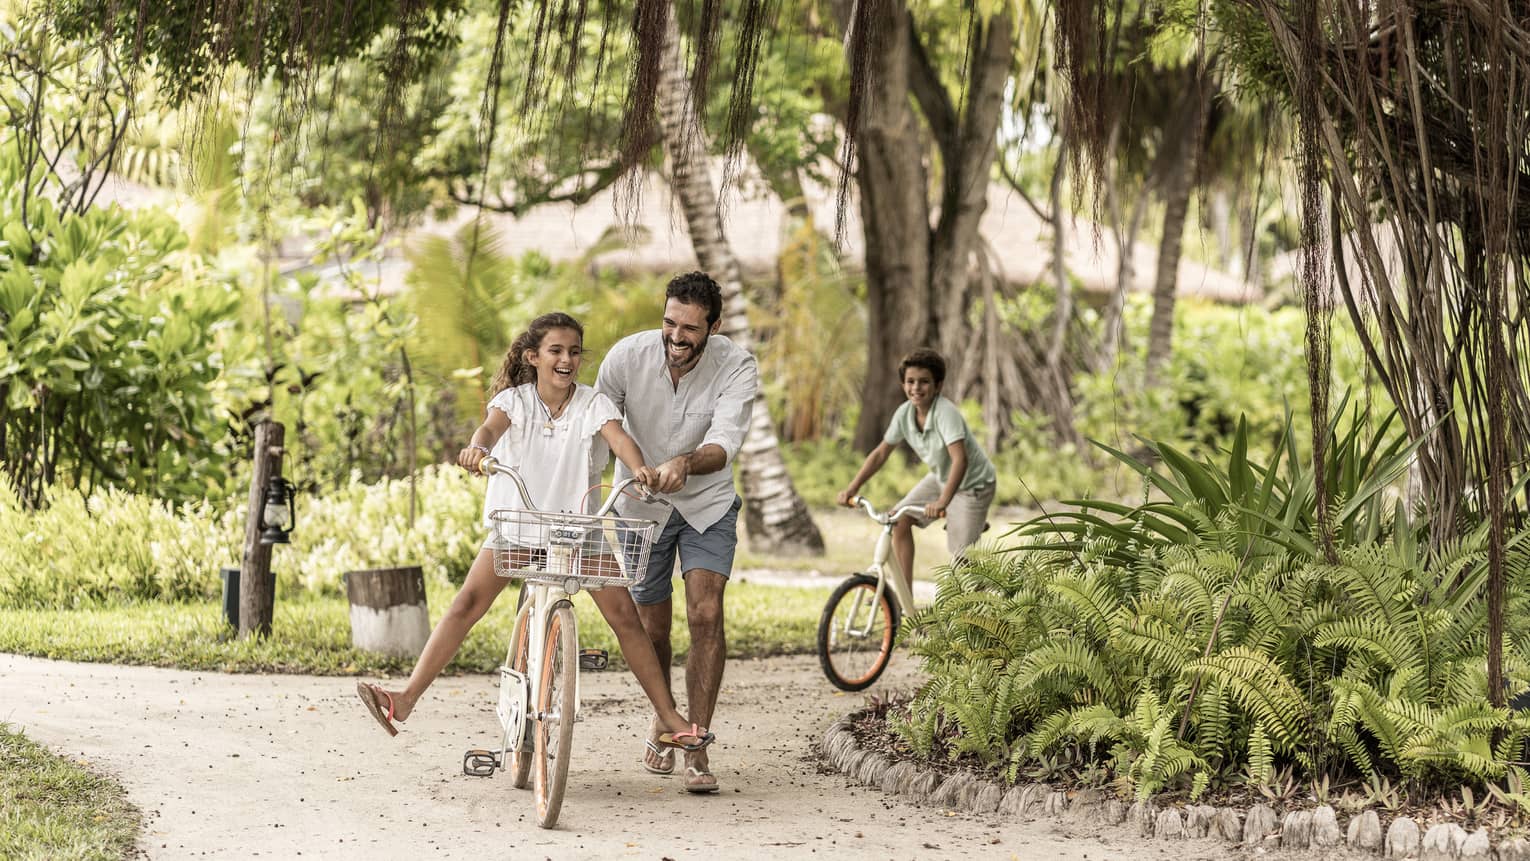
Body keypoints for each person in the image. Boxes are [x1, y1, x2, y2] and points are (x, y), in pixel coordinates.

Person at [356, 312, 712, 757]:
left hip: (576, 530)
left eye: (575, 351)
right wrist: (478, 449)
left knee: (625, 616)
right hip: (520, 526)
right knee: (467, 604)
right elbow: (490, 429)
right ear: (534, 356)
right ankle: (405, 699)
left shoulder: (592, 403)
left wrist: (638, 467)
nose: (567, 360)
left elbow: (618, 438)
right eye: (556, 351)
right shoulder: (515, 401)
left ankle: (669, 717)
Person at [595, 272, 757, 794]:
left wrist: (686, 463)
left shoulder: (736, 366)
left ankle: (698, 742)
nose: (677, 337)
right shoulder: (625, 358)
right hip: (641, 508)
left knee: (706, 613)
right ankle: (666, 719)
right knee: (654, 628)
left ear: (713, 325)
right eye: (669, 323)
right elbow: (597, 428)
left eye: (690, 327)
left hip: (706, 504)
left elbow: (725, 440)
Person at [836, 348, 997, 594]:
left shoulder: (945, 413)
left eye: (924, 382)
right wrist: (852, 488)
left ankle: (984, 605)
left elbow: (960, 460)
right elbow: (880, 454)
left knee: (962, 563)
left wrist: (943, 501)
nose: (916, 388)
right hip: (941, 477)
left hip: (973, 485)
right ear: (903, 384)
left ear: (938, 385)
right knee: (898, 520)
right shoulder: (904, 414)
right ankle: (904, 599)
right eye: (910, 382)